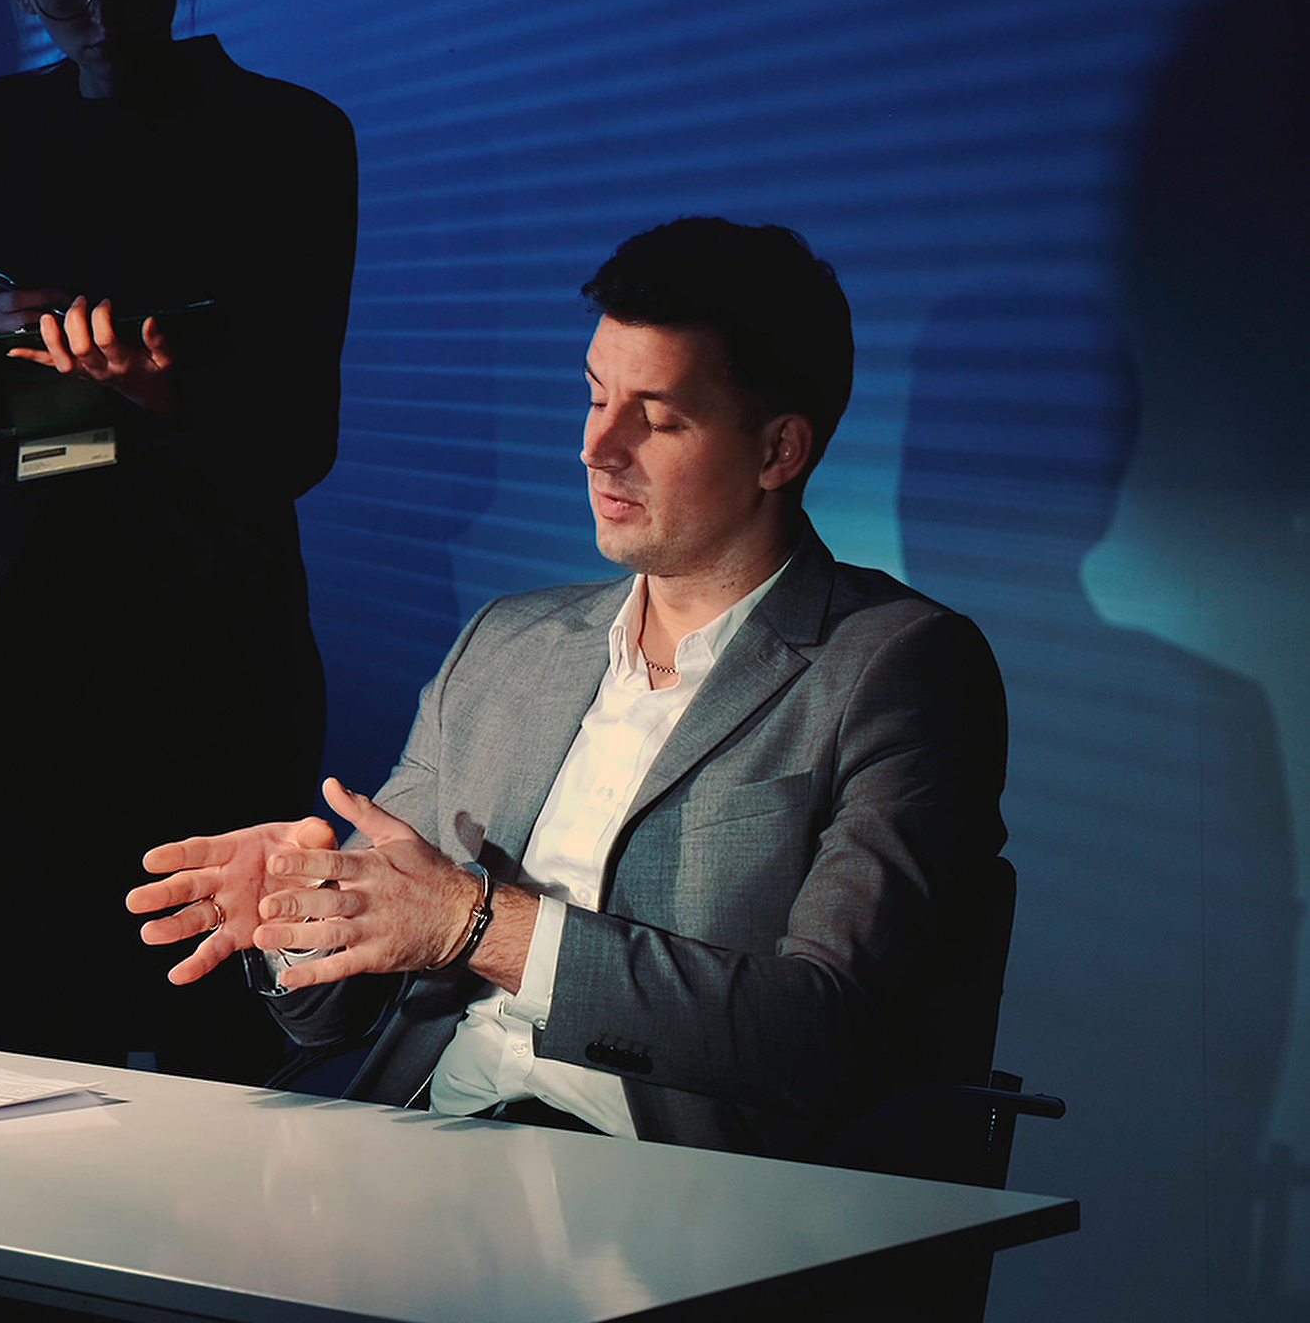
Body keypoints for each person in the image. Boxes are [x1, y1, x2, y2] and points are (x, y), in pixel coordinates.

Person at [129, 219, 1011, 1159]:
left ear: (778, 450)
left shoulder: (898, 667)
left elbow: (817, 1035)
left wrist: (475, 926)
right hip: (426, 1148)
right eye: (594, 397)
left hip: (680, 1194)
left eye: (658, 417)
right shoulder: (507, 646)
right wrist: (299, 914)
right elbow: (333, 1021)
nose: (597, 447)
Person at [0, 0, 356, 1082]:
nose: (96, 9)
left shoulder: (290, 136)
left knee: (230, 1028)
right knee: (38, 1050)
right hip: (21, 639)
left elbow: (298, 443)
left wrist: (156, 391)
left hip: (214, 645)